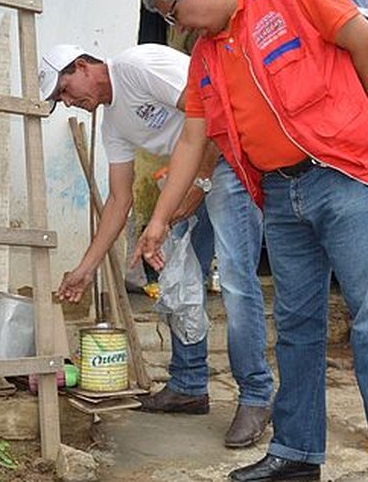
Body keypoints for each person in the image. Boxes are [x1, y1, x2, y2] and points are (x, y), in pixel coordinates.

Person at [137, 0, 368, 482]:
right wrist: (159, 220)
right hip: (279, 192)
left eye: (174, 15)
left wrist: (364, 129)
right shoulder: (206, 54)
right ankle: (296, 452)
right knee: (295, 325)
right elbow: (192, 139)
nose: (178, 28)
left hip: (343, 178)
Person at [40, 42, 274, 448]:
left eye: (63, 90)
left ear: (81, 66)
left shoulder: (138, 66)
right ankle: (188, 384)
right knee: (179, 281)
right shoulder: (113, 122)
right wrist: (86, 267)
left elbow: (216, 111)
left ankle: (256, 396)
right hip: (190, 175)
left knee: (235, 282)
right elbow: (119, 200)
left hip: (230, 160)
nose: (67, 102)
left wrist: (197, 186)